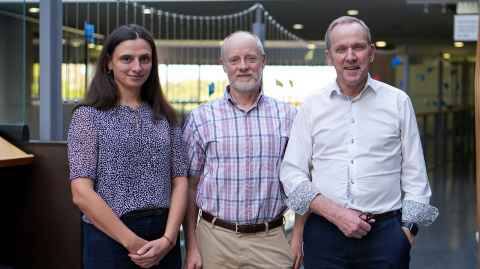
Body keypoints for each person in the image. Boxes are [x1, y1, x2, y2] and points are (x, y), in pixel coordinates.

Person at [280, 16, 439, 269]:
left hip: (386, 237)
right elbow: (291, 172)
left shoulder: (398, 102)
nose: (350, 56)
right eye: (341, 49)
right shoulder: (312, 106)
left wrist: (406, 233)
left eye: (358, 47)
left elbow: (415, 175)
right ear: (329, 56)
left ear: (371, 52)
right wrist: (335, 213)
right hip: (324, 235)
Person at [67, 24, 187, 269]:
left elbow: (180, 180)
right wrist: (132, 242)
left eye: (145, 59)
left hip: (163, 240)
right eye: (127, 59)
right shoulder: (88, 116)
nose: (137, 67)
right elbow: (81, 192)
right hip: (110, 240)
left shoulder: (166, 117)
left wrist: (169, 239)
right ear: (108, 63)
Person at [182, 31, 302, 269]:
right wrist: (192, 246)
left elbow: (301, 181)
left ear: (263, 61)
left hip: (271, 240)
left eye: (251, 58)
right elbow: (190, 186)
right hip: (213, 240)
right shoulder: (201, 118)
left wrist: (297, 236)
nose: (243, 66)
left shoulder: (289, 117)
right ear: (223, 65)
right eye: (234, 60)